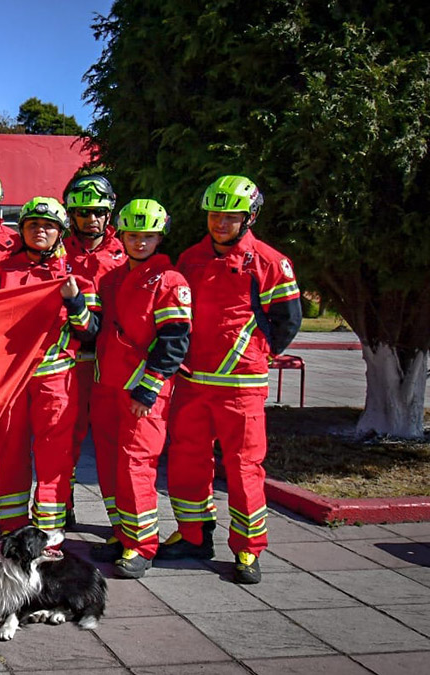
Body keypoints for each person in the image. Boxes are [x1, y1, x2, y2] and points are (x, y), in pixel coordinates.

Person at [158, 175, 301, 584]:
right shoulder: (190, 258)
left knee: (243, 468)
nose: (220, 222)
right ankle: (193, 535)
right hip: (192, 381)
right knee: (186, 461)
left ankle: (248, 550)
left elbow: (288, 320)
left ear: (249, 216)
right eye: (215, 213)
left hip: (241, 387)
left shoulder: (271, 262)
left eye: (231, 215)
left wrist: (257, 353)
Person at [87, 199, 191, 579]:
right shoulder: (111, 279)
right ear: (121, 234)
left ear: (160, 236)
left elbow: (174, 341)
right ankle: (121, 533)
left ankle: (142, 545)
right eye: (133, 235)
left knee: (136, 467)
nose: (140, 242)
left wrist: (148, 391)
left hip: (140, 394)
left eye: (148, 236)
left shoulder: (170, 281)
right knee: (110, 467)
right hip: (107, 388)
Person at [0, 197, 99, 543]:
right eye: (33, 224)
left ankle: (49, 528)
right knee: (10, 451)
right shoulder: (1, 272)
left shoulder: (75, 277)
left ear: (60, 233)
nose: (40, 231)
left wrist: (75, 301)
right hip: (12, 379)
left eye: (49, 226)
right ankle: (12, 525)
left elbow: (90, 330)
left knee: (55, 454)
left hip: (56, 377)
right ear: (22, 230)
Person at [62, 174, 125, 530]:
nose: (91, 219)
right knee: (65, 444)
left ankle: (120, 524)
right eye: (83, 212)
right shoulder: (59, 250)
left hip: (111, 364)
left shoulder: (125, 250)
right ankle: (63, 508)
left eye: (98, 211)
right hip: (70, 362)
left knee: (111, 446)